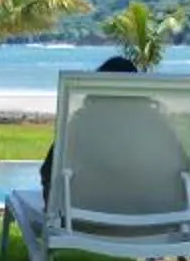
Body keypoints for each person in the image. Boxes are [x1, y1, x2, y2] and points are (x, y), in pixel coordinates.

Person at [39, 53, 143, 199]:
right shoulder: (156, 129)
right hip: (149, 216)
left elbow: (48, 172)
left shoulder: (81, 125)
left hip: (81, 217)